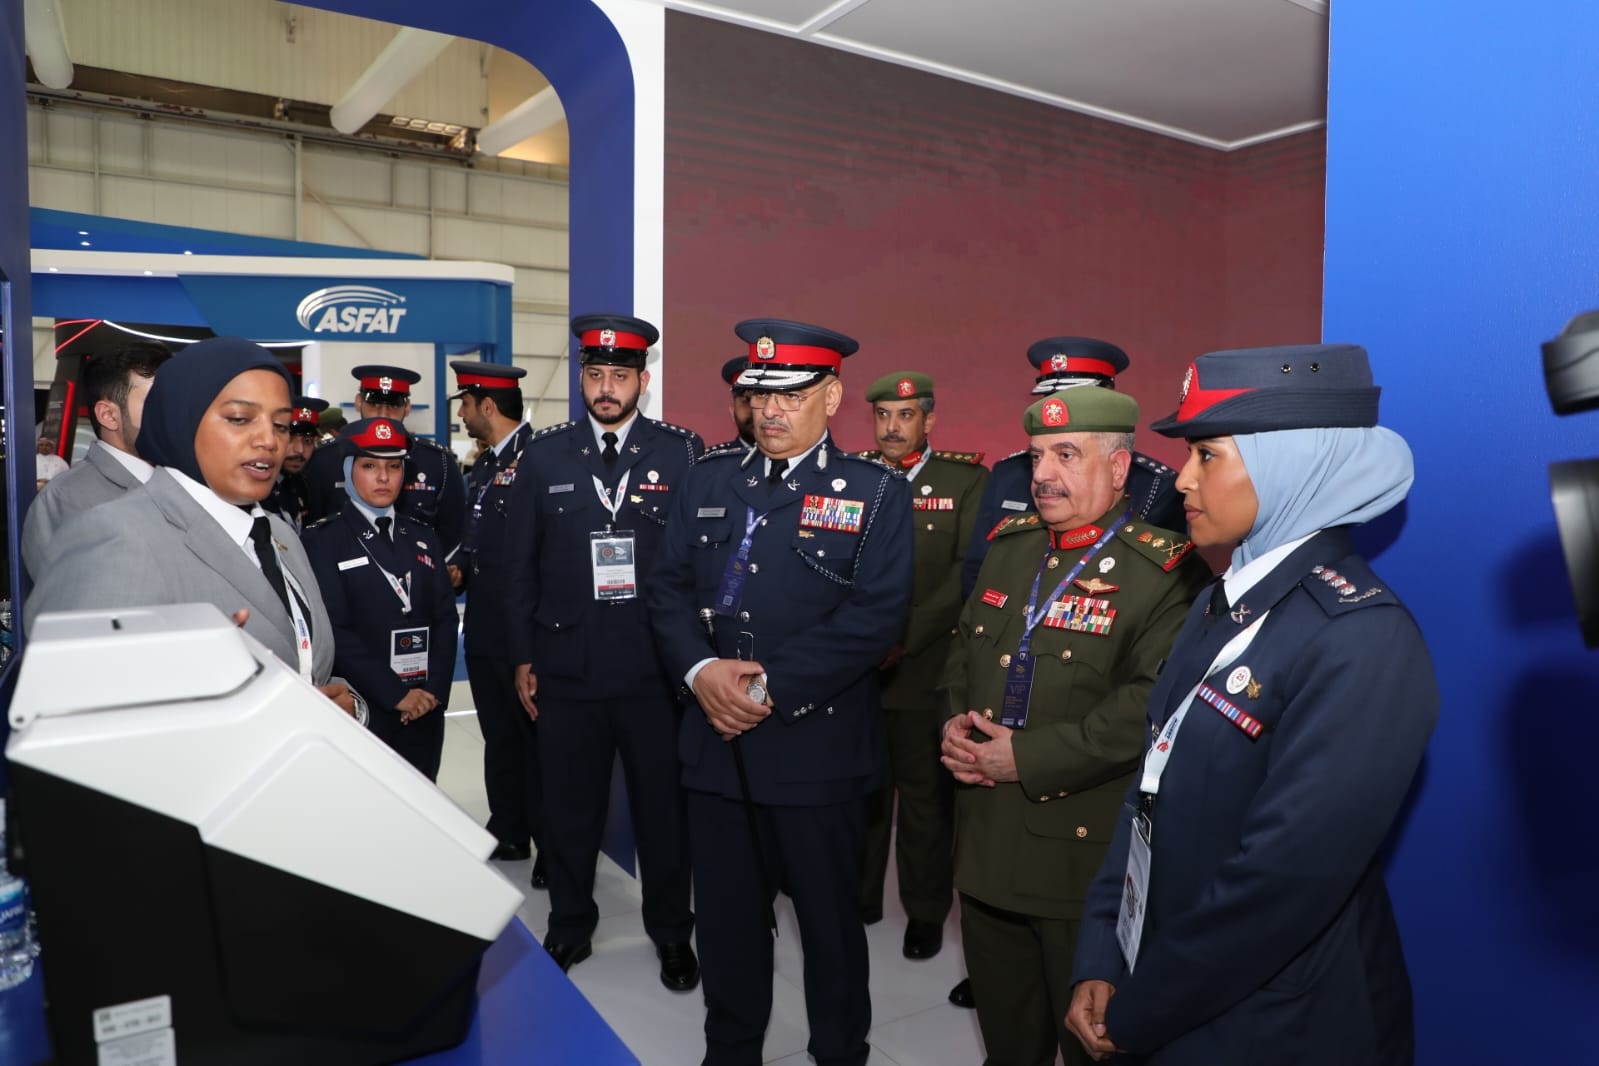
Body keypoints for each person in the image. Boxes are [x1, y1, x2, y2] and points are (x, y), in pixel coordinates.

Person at [1065, 344, 1438, 1066]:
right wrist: (1104, 951)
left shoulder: (1361, 639)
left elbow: (1280, 884)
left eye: (1207, 456)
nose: (1182, 478)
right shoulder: (1220, 602)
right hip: (1176, 981)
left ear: (1287, 465)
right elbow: (1148, 790)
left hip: (1274, 1022)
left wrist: (1141, 1010)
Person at [649, 318, 913, 1066]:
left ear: (831, 397)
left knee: (829, 927)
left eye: (791, 395)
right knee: (727, 925)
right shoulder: (709, 478)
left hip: (814, 751)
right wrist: (701, 673)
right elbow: (665, 590)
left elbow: (875, 617)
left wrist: (764, 688)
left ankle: (839, 1051)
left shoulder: (875, 492)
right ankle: (730, 1050)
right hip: (714, 746)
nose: (770, 410)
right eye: (760, 394)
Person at [940, 386, 1209, 1065]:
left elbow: (1147, 705)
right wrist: (953, 727)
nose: (1043, 475)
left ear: (1118, 468)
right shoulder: (1011, 546)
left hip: (1079, 866)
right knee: (1008, 1043)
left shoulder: (1166, 571)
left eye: (1066, 455)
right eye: (1036, 456)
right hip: (984, 845)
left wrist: (1025, 758)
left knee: (1090, 1045)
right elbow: (964, 652)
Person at [504, 313, 703, 988]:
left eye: (620, 375)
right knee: (569, 811)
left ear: (642, 382)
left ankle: (671, 933)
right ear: (582, 379)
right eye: (596, 374)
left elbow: (695, 566)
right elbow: (517, 565)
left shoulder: (679, 453)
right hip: (568, 668)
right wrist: (523, 654)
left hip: (654, 671)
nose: (607, 387)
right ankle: (569, 924)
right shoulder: (546, 455)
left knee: (663, 813)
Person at [25, 336, 358, 720]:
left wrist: (350, 708)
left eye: (281, 425)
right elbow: (73, 718)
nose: (270, 440)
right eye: (239, 419)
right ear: (182, 419)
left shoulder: (280, 535)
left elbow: (309, 664)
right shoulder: (117, 536)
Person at [854, 369, 988, 961]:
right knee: (862, 792)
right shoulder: (851, 478)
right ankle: (859, 897)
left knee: (924, 803)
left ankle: (926, 911)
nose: (892, 427)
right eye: (883, 415)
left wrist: (901, 638)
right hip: (856, 668)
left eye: (905, 416)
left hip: (924, 668)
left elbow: (966, 572)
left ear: (928, 420)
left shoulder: (965, 481)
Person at [961, 337, 1183, 600]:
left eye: (1078, 400)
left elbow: (1155, 587)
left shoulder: (1156, 485)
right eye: (1050, 400)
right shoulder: (1009, 474)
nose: (1059, 411)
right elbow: (978, 571)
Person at [302, 418, 457, 780]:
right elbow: (335, 629)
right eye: (370, 466)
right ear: (348, 470)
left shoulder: (422, 536)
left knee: (423, 798)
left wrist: (432, 691)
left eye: (394, 467)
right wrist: (396, 694)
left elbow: (446, 618)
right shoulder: (322, 541)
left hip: (424, 707)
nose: (384, 477)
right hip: (365, 705)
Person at [448, 361, 542, 874]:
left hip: (522, 627)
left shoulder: (539, 459)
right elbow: (477, 535)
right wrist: (460, 566)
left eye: (466, 404)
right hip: (485, 623)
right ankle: (509, 828)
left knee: (535, 741)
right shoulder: (485, 464)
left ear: (488, 405)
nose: (462, 414)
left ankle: (552, 844)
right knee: (500, 736)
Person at [22, 341, 170, 580]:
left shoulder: (183, 481)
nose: (173, 412)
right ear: (108, 415)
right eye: (157, 401)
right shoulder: (66, 500)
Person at [301, 364, 466, 554]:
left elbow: (454, 531)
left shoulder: (436, 462)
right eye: (374, 404)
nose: (383, 414)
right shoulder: (325, 458)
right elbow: (311, 527)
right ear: (358, 402)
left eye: (393, 406)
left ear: (407, 407)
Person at [263, 396, 327, 531]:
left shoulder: (303, 484)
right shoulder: (256, 487)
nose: (300, 450)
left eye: (308, 441)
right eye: (291, 439)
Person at [704, 355, 756, 455]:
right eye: (747, 399)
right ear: (732, 410)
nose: (756, 410)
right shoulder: (712, 462)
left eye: (765, 398)